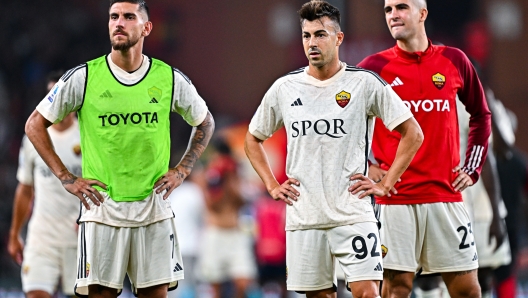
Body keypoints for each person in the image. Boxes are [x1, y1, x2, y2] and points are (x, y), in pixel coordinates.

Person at [24, 1, 215, 297]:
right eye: (114, 17)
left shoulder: (169, 78)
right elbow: (34, 124)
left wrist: (183, 169)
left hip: (154, 209)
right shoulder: (84, 77)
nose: (119, 23)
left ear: (146, 27)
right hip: (102, 212)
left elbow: (205, 122)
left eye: (128, 17)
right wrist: (66, 177)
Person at [244, 1, 423, 297]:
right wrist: (272, 186)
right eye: (306, 35)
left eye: (320, 34)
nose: (312, 43)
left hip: (353, 213)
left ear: (338, 38)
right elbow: (253, 138)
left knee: (368, 292)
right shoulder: (284, 88)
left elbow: (413, 133)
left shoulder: (363, 83)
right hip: (304, 218)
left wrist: (386, 182)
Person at [357, 0, 492, 297]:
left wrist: (472, 168)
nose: (393, 15)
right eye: (388, 10)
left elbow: (481, 115)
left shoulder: (455, 60)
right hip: (395, 200)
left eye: (401, 7)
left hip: (445, 195)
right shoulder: (372, 68)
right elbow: (344, 126)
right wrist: (367, 165)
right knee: (397, 289)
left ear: (423, 13)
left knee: (468, 289)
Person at [7, 71, 81, 298]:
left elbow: (106, 186)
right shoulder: (33, 138)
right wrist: (15, 234)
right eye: (51, 95)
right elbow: (25, 189)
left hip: (80, 239)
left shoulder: (88, 137)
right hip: (42, 238)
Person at [197, 138, 257, 298]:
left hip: (236, 233)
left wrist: (230, 178)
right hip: (215, 233)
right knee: (215, 283)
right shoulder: (207, 175)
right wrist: (218, 181)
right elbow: (211, 205)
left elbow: (242, 201)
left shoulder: (235, 173)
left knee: (243, 281)